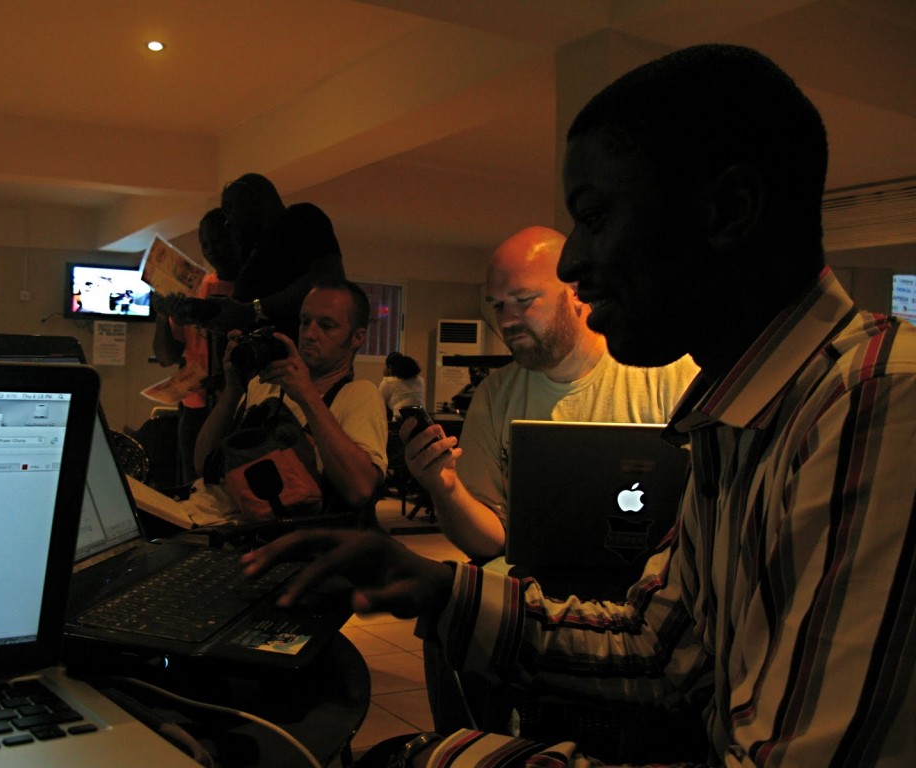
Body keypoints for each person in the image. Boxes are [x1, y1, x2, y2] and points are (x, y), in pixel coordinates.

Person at [240, 44, 916, 767]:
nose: (571, 265)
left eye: (595, 217)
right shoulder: (737, 414)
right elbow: (660, 646)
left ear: (727, 211)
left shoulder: (877, 403)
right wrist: (439, 590)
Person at [412, 225, 697, 563]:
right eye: (498, 306)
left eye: (523, 300)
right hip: (535, 591)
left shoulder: (670, 375)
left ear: (576, 292)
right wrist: (446, 490)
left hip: (651, 581)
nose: (507, 321)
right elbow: (490, 545)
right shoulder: (495, 395)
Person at [194, 278, 388, 518]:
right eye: (305, 322)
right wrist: (233, 390)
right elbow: (203, 465)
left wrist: (307, 395)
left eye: (326, 326)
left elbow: (360, 489)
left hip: (273, 538)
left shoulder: (360, 394)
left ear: (357, 337)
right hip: (214, 516)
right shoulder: (264, 385)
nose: (309, 334)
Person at [183, 173, 346, 342]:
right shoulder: (251, 253)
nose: (228, 222)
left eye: (230, 209)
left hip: (296, 358)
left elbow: (329, 281)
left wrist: (253, 310)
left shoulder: (301, 218)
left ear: (251, 198)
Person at [152, 208, 241, 485]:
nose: (212, 249)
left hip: (238, 407)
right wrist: (162, 317)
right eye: (206, 244)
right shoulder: (195, 287)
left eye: (219, 240)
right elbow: (167, 356)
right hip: (194, 406)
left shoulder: (250, 288)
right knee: (192, 486)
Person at [380, 352, 426, 417]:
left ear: (390, 368)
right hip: (421, 419)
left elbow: (379, 404)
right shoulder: (420, 381)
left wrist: (386, 377)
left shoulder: (388, 382)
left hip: (400, 421)